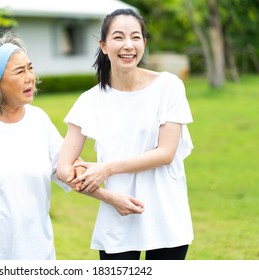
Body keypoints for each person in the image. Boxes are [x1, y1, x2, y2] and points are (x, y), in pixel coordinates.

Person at [0, 31, 143, 260]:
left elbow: (67, 171)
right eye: (20, 71)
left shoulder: (38, 120)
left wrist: (110, 196)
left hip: (37, 252)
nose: (31, 77)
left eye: (30, 68)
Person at [57, 8, 194, 260]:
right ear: (104, 45)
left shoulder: (169, 86)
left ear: (144, 43)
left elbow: (166, 153)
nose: (128, 45)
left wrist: (105, 169)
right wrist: (107, 196)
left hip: (166, 217)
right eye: (118, 37)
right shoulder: (90, 100)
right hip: (116, 219)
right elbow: (63, 169)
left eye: (135, 37)